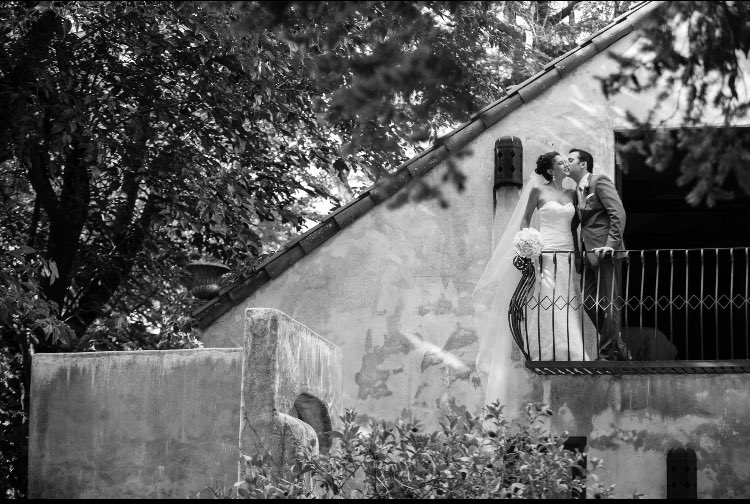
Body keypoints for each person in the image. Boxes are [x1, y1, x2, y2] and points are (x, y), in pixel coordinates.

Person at [474, 151, 587, 410]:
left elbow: (576, 226)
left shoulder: (572, 194)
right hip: (545, 251)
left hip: (566, 250)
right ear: (550, 170)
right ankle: (547, 351)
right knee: (547, 297)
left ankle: (571, 349)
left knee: (567, 297)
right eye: (560, 163)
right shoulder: (538, 191)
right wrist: (528, 243)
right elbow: (525, 219)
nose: (564, 165)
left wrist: (579, 253)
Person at [566, 148, 631, 361]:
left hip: (607, 253)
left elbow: (617, 212)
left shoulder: (599, 181)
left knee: (611, 303)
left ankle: (607, 353)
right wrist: (578, 255)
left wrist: (611, 244)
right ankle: (618, 345)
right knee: (588, 302)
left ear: (583, 164)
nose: (567, 163)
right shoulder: (577, 190)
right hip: (589, 257)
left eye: (571, 159)